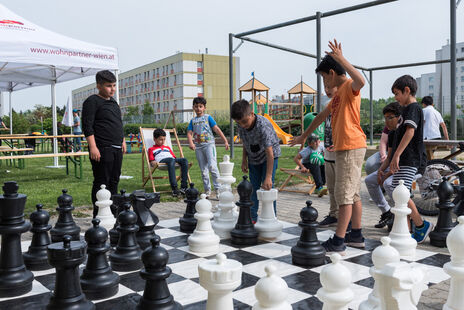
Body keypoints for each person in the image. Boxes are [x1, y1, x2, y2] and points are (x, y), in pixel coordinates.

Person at [290, 39, 367, 254]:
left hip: (351, 146)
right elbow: (320, 117)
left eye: (324, 77)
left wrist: (342, 59)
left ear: (332, 73)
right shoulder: (336, 97)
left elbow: (361, 81)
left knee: (343, 195)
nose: (324, 82)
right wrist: (303, 136)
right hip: (347, 147)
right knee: (353, 195)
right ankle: (356, 235)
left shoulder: (349, 87)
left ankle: (339, 240)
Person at [387, 75, 433, 243]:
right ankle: (405, 231)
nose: (395, 97)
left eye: (397, 93)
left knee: (401, 195)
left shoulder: (413, 108)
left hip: (409, 159)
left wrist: (397, 155)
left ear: (407, 90)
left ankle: (421, 225)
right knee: (397, 193)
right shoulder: (406, 109)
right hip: (405, 159)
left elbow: (410, 132)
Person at [82, 70, 126, 218]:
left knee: (114, 180)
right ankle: (98, 214)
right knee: (102, 181)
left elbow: (118, 123)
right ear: (99, 86)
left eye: (114, 85)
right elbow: (87, 126)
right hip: (102, 148)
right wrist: (93, 147)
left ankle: (111, 211)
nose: (112, 89)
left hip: (116, 147)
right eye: (108, 86)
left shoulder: (113, 102)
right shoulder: (92, 101)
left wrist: (123, 141)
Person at [231, 99, 281, 223]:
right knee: (252, 188)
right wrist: (244, 160)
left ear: (252, 114)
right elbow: (245, 142)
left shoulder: (262, 126)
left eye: (244, 122)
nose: (242, 125)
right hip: (253, 157)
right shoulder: (240, 124)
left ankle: (271, 217)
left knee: (267, 187)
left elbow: (270, 153)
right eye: (239, 123)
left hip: (269, 157)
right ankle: (252, 217)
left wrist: (268, 176)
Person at [365, 102, 402, 229]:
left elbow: (398, 159)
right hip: (392, 164)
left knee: (387, 183)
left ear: (399, 117)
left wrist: (386, 175)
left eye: (390, 118)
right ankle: (387, 212)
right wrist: (381, 170)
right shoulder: (391, 132)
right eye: (385, 118)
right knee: (369, 180)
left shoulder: (404, 130)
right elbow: (389, 154)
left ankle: (403, 215)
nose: (386, 121)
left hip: (405, 165)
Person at [187, 97, 229, 197]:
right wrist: (191, 143)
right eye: (196, 106)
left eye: (200, 106)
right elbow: (189, 133)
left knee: (212, 166)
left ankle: (218, 189)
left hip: (209, 145)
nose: (198, 108)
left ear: (204, 108)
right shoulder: (192, 121)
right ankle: (207, 190)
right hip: (199, 147)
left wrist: (225, 140)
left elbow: (216, 129)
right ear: (193, 107)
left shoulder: (208, 117)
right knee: (203, 170)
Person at [318, 85, 338, 227]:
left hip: (340, 153)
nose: (327, 89)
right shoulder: (327, 104)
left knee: (342, 189)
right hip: (328, 152)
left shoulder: (344, 103)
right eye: (325, 86)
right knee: (331, 187)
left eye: (330, 86)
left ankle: (345, 218)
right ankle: (333, 214)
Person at [148, 128, 189, 197]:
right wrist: (153, 162)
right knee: (171, 160)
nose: (163, 141)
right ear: (154, 139)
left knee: (184, 160)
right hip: (162, 161)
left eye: (164, 139)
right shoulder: (151, 149)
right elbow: (152, 161)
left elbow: (174, 157)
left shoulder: (167, 148)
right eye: (161, 139)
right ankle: (174, 188)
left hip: (172, 160)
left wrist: (177, 161)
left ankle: (183, 187)